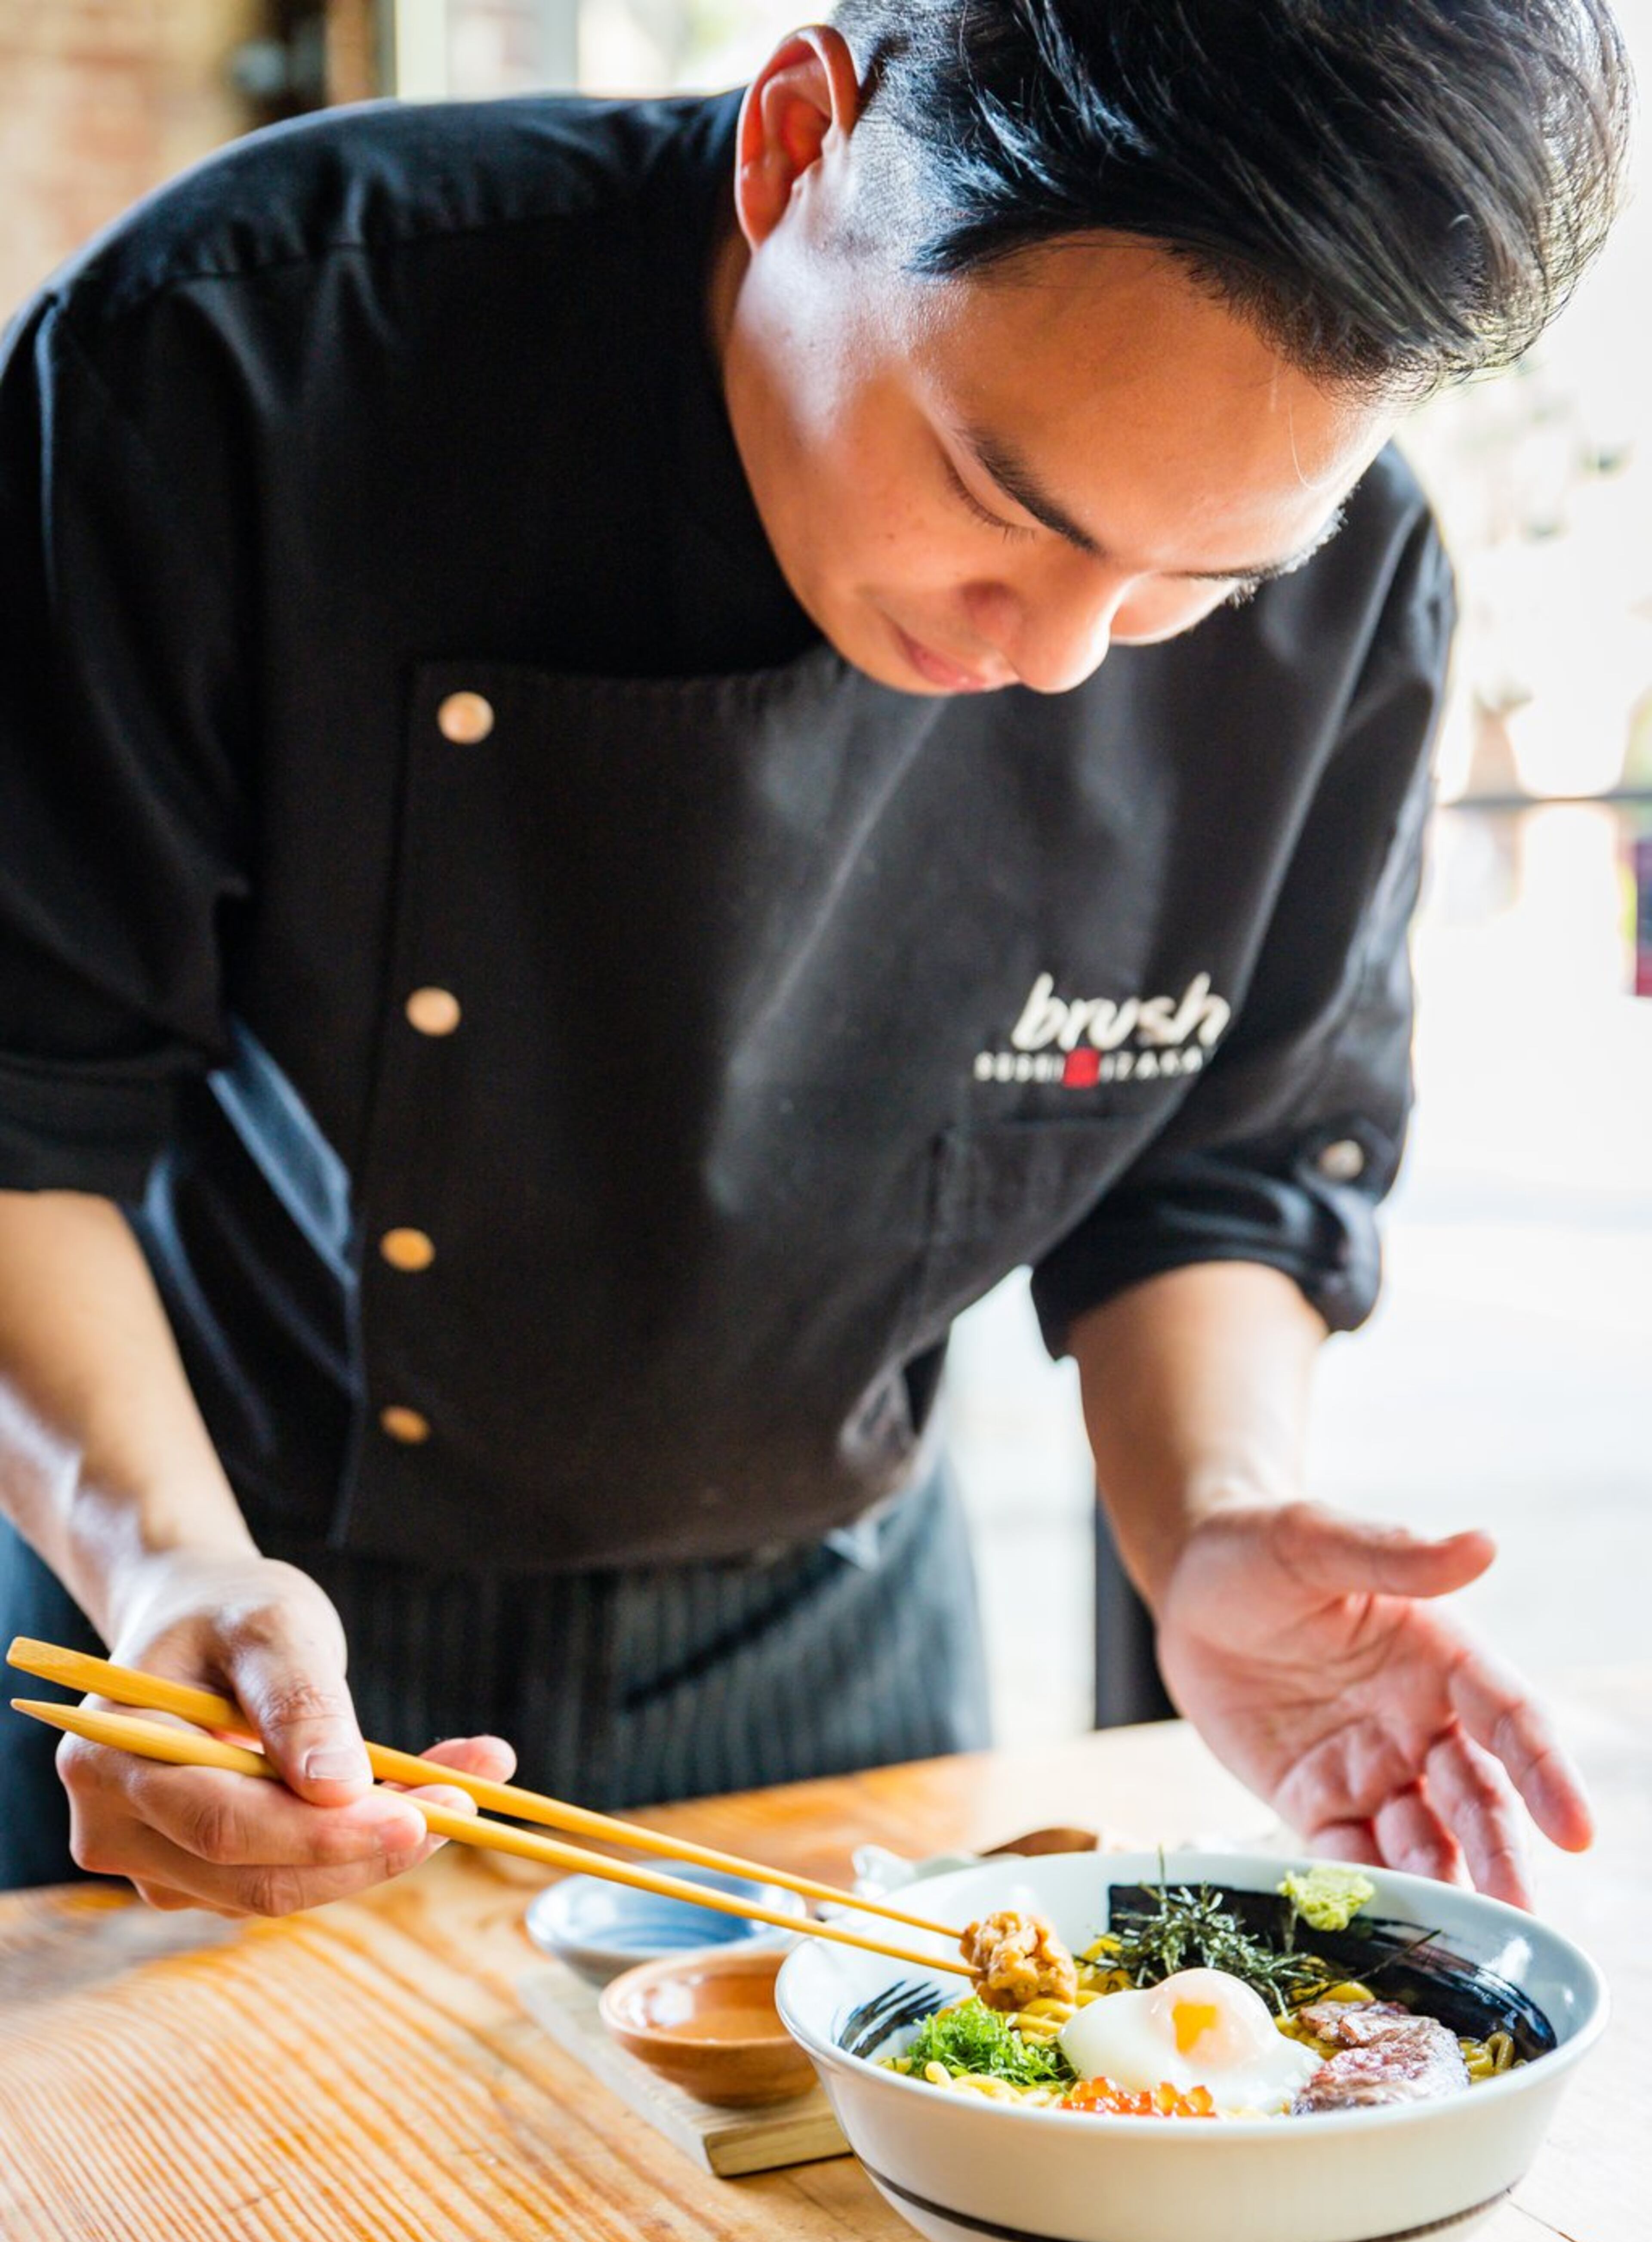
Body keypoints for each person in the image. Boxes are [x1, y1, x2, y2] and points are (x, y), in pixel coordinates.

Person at [0, 2, 1628, 1913]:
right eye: (1000, 497)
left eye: (1205, 583)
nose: (1061, 657)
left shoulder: (1353, 590)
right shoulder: (237, 353)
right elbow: (28, 1099)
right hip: (222, 1601)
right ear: (796, 145)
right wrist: (164, 1562)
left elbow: (1224, 1169)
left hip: (839, 1648)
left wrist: (1213, 1518)